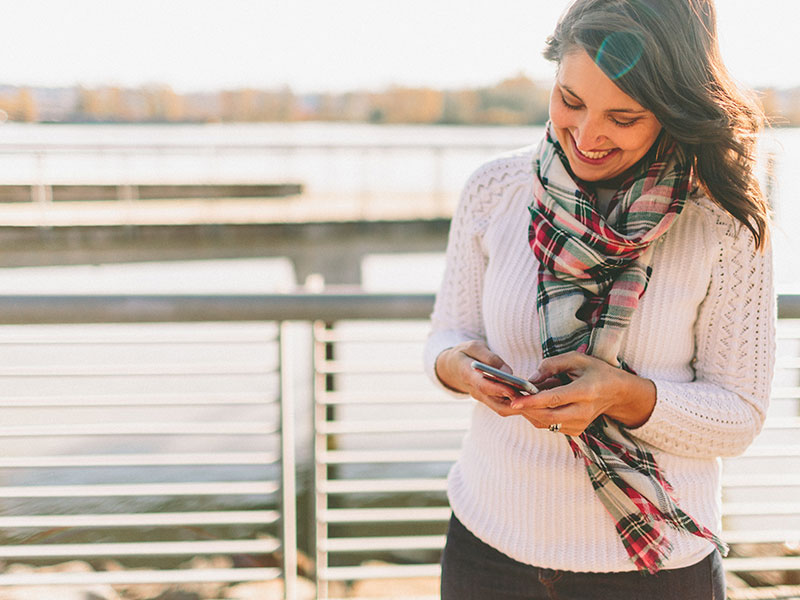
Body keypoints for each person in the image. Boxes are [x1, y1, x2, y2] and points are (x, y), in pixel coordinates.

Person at [424, 0, 776, 598]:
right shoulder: (494, 189)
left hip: (654, 568)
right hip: (486, 548)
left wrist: (621, 395)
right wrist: (460, 368)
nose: (587, 135)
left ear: (671, 110)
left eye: (624, 115)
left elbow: (740, 417)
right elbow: (446, 335)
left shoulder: (721, 222)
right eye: (570, 100)